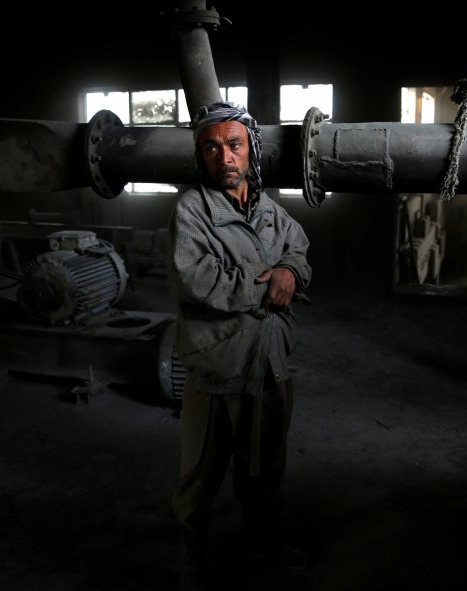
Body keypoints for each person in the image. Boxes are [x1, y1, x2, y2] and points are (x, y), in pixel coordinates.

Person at [166, 101, 312, 590]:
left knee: (264, 470)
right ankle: (193, 568)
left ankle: (264, 544)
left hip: (270, 360)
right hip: (218, 363)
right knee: (200, 479)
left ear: (251, 150)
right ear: (200, 156)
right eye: (211, 147)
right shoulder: (192, 210)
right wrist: (264, 284)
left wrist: (290, 272)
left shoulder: (270, 210)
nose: (223, 157)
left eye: (233, 145)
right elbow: (196, 278)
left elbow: (299, 248)